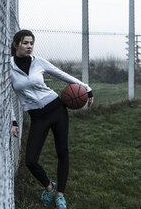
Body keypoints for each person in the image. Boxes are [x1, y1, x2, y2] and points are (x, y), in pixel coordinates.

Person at [10, 29, 94, 209]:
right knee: (30, 160)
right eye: (25, 43)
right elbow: (7, 96)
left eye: (32, 43)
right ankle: (49, 187)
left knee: (62, 151)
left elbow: (61, 74)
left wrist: (86, 88)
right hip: (37, 117)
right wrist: (13, 120)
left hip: (56, 109)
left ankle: (60, 195)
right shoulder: (8, 67)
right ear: (16, 44)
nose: (29, 46)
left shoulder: (38, 62)